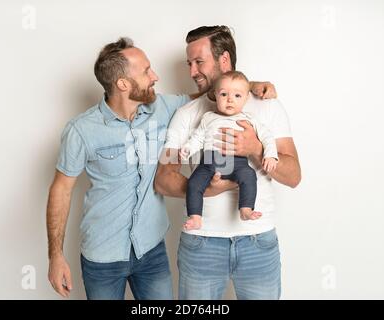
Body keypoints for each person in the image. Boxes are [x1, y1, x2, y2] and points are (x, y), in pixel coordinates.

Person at [46, 36, 277, 300]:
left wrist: (251, 87)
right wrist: (56, 256)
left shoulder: (163, 108)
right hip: (102, 255)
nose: (155, 76)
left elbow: (211, 95)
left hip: (151, 252)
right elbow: (61, 190)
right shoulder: (81, 130)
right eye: (146, 71)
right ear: (122, 84)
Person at [155, 25, 301, 300]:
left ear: (224, 60)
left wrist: (256, 149)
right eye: (188, 63)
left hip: (258, 242)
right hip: (201, 245)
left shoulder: (267, 107)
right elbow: (163, 178)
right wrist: (205, 190)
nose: (192, 72)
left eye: (199, 62)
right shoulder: (187, 114)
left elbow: (294, 176)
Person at [180, 71, 278, 230]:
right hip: (209, 162)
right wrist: (188, 149)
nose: (230, 99)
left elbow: (267, 137)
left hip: (237, 163)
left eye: (237, 96)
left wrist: (271, 156)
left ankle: (246, 209)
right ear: (215, 96)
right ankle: (195, 217)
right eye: (224, 94)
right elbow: (198, 137)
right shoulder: (208, 117)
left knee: (249, 175)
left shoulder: (248, 119)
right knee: (194, 183)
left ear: (246, 98)